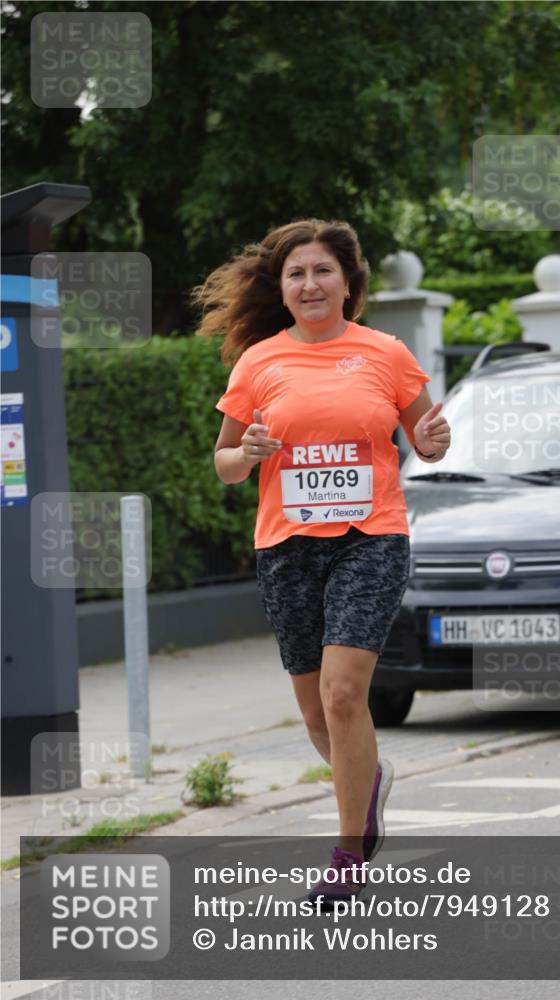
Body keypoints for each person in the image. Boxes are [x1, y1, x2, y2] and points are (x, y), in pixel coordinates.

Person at [192, 219, 451, 905]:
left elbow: (426, 443)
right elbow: (222, 464)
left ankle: (346, 856)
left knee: (343, 693)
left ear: (348, 280)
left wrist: (435, 437)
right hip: (286, 546)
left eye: (321, 271)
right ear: (281, 289)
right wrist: (243, 453)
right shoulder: (258, 362)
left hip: (370, 536)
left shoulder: (385, 353)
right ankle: (369, 783)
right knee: (313, 713)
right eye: (296, 274)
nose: (309, 284)